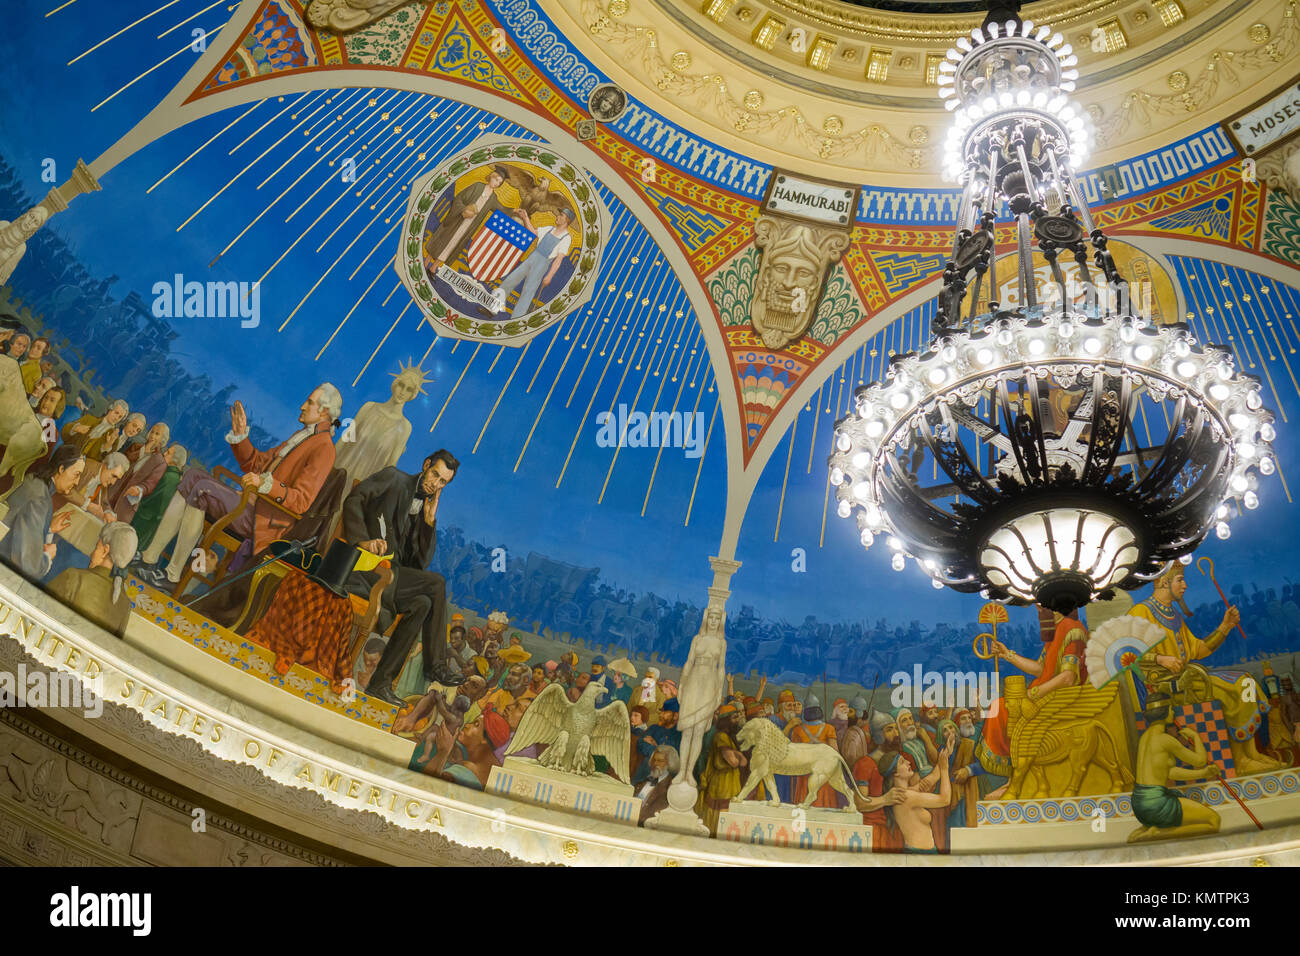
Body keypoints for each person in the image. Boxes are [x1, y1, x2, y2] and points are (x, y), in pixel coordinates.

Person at [138, 386, 339, 589]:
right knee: (192, 476)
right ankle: (149, 557)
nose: (302, 406)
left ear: (324, 412)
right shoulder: (303, 436)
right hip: (252, 505)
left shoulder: (324, 448)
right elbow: (257, 466)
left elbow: (301, 501)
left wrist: (265, 485)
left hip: (264, 520)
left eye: (310, 403)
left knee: (201, 489)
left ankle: (172, 575)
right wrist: (241, 436)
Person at [340, 450, 465, 704]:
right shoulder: (393, 478)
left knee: (424, 604)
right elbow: (353, 500)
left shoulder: (424, 510)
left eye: (443, 482)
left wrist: (428, 525)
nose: (435, 484)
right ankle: (435, 666)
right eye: (434, 475)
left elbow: (419, 565)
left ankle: (381, 684)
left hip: (392, 579)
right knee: (437, 583)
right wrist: (362, 540)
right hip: (366, 571)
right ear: (426, 464)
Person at [1131, 564, 1280, 775]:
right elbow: (1127, 654)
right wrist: (1160, 658)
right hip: (1167, 688)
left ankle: (1251, 754)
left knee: (1247, 681)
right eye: (1180, 580)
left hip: (1188, 678)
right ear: (1164, 582)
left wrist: (1225, 626)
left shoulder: (1173, 615)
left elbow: (1199, 650)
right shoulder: (1141, 612)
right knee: (1237, 688)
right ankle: (1240, 760)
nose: (1185, 585)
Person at [977, 607, 1088, 792]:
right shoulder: (1058, 628)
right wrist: (1007, 655)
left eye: (1041, 603)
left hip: (1059, 697)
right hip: (1046, 694)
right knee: (1001, 705)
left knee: (1004, 707)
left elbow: (1068, 677)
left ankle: (1018, 779)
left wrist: (1033, 693)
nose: (1037, 608)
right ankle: (1016, 776)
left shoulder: (1072, 629)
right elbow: (1040, 669)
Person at [1127, 692, 1222, 843]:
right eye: (1170, 709)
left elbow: (1170, 773)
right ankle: (1157, 834)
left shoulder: (1145, 738)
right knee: (1214, 821)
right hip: (1157, 804)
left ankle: (1148, 829)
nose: (1173, 712)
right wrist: (1195, 737)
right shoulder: (1165, 740)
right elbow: (1200, 760)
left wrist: (1204, 773)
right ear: (1164, 712)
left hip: (1140, 805)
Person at [333, 363, 426, 490]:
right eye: (401, 385)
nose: (403, 392)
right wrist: (326, 463)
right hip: (339, 472)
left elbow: (390, 467)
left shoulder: (405, 427)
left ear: (413, 394)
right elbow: (345, 438)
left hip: (364, 485)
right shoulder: (369, 407)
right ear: (395, 384)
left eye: (409, 389)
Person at [0, 444, 83, 579]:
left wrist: (49, 528)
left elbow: (21, 526)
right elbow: (29, 566)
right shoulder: (40, 499)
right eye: (76, 474)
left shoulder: (35, 481)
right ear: (62, 469)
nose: (77, 482)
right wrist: (47, 557)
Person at [48, 521, 138, 637]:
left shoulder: (74, 577)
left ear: (105, 550)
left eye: (96, 547)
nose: (91, 554)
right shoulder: (125, 606)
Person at [490, 207, 574, 319]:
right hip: (532, 258)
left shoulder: (566, 238)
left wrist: (549, 276)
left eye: (561, 215)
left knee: (528, 292)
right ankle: (491, 308)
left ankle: (515, 320)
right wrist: (525, 217)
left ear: (567, 220)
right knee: (510, 280)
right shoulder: (549, 229)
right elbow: (533, 231)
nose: (557, 216)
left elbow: (558, 259)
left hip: (542, 264)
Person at [427, 166, 509, 269]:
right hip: (458, 218)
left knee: (452, 244)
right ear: (491, 176)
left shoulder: (493, 198)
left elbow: (502, 209)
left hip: (468, 226)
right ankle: (425, 262)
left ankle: (433, 268)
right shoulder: (477, 186)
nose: (496, 183)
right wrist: (464, 210)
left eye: (499, 182)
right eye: (496, 179)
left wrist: (514, 211)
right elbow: (459, 199)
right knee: (442, 240)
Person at [886, 738, 953, 855]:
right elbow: (945, 799)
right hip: (920, 854)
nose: (908, 762)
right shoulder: (906, 796)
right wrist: (944, 769)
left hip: (921, 853)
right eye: (902, 762)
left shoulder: (904, 792)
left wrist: (947, 753)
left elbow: (932, 778)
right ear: (895, 773)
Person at [695, 702, 747, 836]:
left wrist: (739, 757)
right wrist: (738, 756)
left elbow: (743, 762)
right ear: (726, 721)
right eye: (734, 718)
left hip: (726, 786)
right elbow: (735, 761)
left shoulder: (728, 737)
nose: (737, 721)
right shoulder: (721, 737)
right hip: (721, 787)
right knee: (717, 824)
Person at [107, 422, 170, 523]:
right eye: (152, 432)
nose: (153, 435)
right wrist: (144, 451)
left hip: (126, 502)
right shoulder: (136, 446)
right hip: (113, 489)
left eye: (157, 434)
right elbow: (125, 459)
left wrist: (139, 489)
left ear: (163, 439)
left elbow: (150, 483)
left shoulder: (160, 462)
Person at [130, 444, 187, 553]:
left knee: (131, 546)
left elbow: (158, 501)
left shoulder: (170, 477)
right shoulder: (171, 475)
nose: (164, 453)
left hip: (146, 517)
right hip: (148, 517)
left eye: (168, 453)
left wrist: (140, 501)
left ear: (175, 460)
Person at [62, 451, 129, 521]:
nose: (113, 482)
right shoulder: (85, 467)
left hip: (75, 514)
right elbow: (64, 487)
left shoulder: (103, 480)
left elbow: (104, 501)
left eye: (117, 479)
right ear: (105, 466)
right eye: (113, 476)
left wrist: (108, 512)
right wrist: (87, 505)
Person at [62, 398, 128, 456]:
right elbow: (65, 430)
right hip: (65, 454)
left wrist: (107, 445)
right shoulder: (89, 419)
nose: (116, 418)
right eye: (116, 413)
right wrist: (76, 428)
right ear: (110, 409)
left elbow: (105, 461)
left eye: (120, 417)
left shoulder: (114, 439)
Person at [635, 745, 679, 824]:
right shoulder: (642, 782)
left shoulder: (671, 789)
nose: (655, 763)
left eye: (660, 761)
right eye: (654, 760)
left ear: (670, 764)